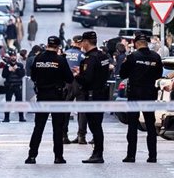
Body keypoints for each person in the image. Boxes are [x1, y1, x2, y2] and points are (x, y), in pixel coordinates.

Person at [25, 36, 74, 164]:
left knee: (38, 127)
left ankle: (31, 156)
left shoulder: (38, 58)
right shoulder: (60, 60)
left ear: (47, 45)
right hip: (57, 97)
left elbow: (33, 76)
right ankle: (58, 157)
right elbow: (69, 79)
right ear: (58, 47)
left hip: (42, 96)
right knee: (58, 128)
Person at [119, 32, 163, 163]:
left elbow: (122, 73)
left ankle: (131, 155)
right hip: (149, 95)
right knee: (150, 126)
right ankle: (153, 156)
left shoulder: (132, 57)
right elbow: (159, 74)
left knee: (132, 126)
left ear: (136, 43)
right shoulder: (156, 57)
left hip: (135, 95)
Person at [74, 31, 111, 163]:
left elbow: (87, 79)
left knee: (94, 126)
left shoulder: (89, 59)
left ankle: (98, 153)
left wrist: (77, 76)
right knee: (97, 125)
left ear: (86, 42)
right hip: (101, 93)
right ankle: (97, 152)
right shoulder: (103, 56)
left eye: (82, 42)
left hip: (92, 95)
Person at [63, 35, 87, 144]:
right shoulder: (83, 55)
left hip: (67, 82)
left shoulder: (65, 53)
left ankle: (64, 135)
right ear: (81, 43)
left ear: (73, 42)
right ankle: (81, 136)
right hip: (79, 82)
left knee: (65, 109)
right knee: (82, 110)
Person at [2, 53, 27, 123]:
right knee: (8, 102)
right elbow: (3, 75)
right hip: (9, 86)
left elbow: (22, 74)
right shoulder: (6, 65)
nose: (13, 58)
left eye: (14, 56)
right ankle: (6, 118)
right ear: (10, 57)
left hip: (17, 86)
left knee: (19, 102)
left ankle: (21, 117)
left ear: (16, 57)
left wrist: (16, 69)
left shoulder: (20, 65)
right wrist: (8, 70)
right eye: (12, 56)